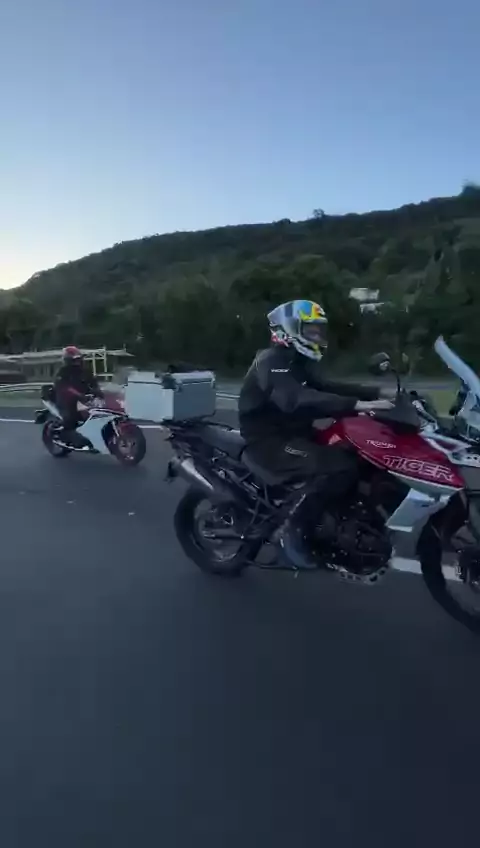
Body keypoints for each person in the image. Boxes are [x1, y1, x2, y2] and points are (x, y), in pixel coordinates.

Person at [238, 299, 393, 568]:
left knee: (356, 454)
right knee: (336, 467)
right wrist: (356, 405)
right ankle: (293, 532)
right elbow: (294, 398)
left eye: (319, 330)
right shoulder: (271, 361)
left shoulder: (298, 361)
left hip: (296, 434)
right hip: (270, 442)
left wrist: (379, 393)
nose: (317, 336)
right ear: (288, 330)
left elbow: (326, 387)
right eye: (311, 330)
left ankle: (341, 518)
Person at [54, 346, 103, 444]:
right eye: (74, 360)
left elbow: (93, 382)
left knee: (98, 413)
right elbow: (64, 387)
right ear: (67, 361)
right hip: (66, 400)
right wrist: (78, 395)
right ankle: (65, 436)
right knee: (70, 419)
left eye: (78, 359)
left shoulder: (85, 371)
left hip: (84, 399)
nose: (77, 362)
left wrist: (98, 392)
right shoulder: (62, 372)